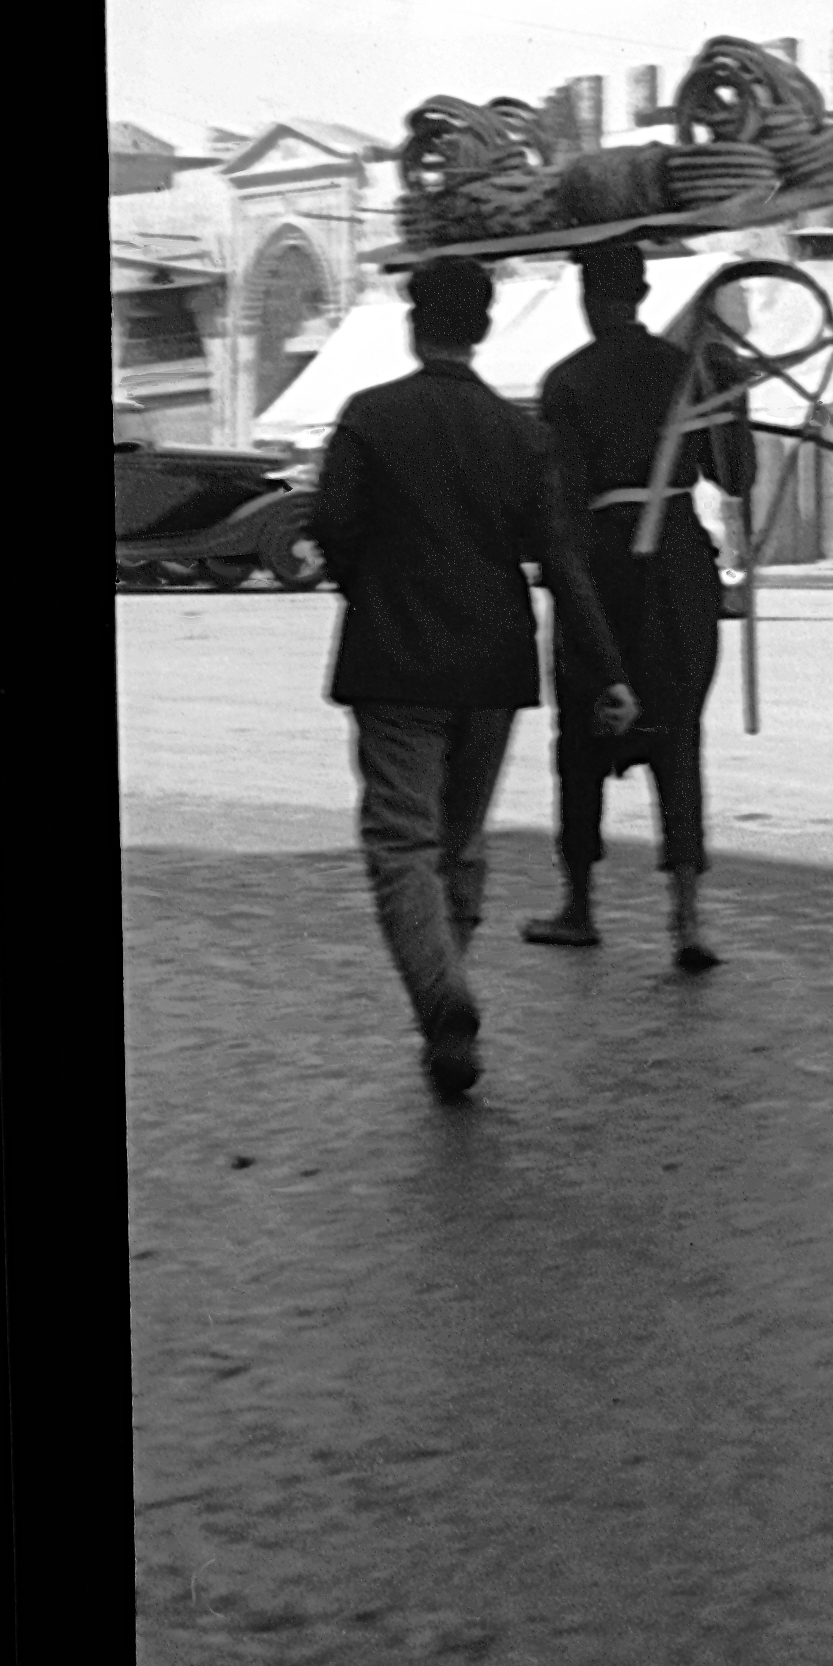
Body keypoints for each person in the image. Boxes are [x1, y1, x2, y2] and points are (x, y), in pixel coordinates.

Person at [310, 256, 636, 1099]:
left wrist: (376, 591)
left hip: (393, 664)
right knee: (458, 844)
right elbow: (564, 560)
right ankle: (447, 993)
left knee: (399, 843)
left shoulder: (370, 418)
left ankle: (441, 999)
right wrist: (606, 672)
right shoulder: (521, 434)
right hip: (493, 664)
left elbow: (331, 526)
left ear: (415, 325)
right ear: (484, 329)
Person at [520, 241, 754, 975]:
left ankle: (580, 906)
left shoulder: (568, 382)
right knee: (678, 733)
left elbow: (560, 509)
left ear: (589, 298)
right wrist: (733, 398)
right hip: (683, 565)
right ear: (646, 291)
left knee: (582, 740)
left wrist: (563, 573)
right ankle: (686, 917)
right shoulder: (689, 372)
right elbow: (737, 477)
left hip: (604, 566)